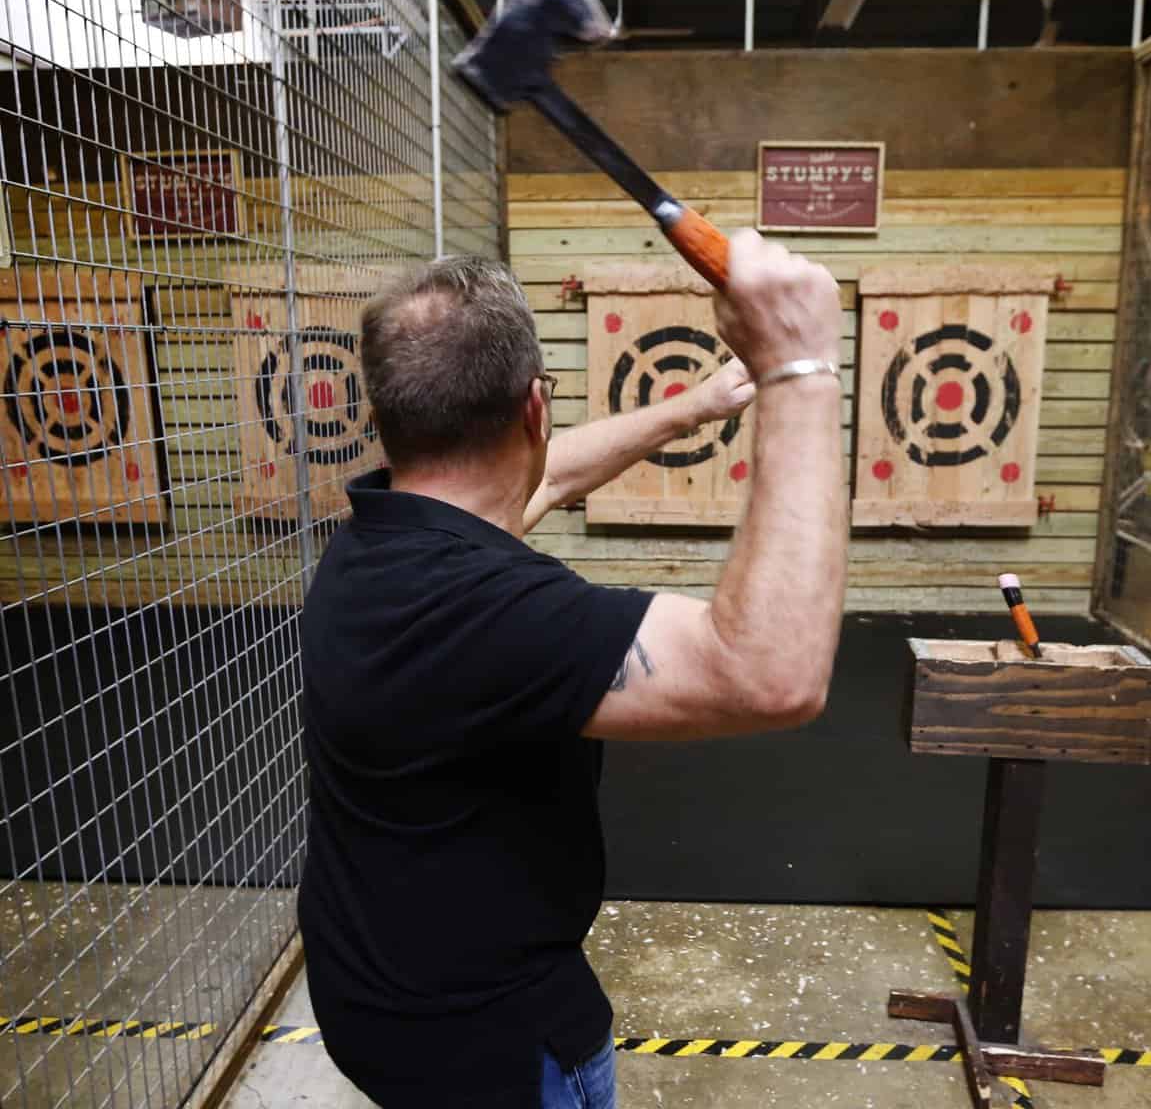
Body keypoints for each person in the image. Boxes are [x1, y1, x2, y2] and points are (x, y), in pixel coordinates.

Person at [296, 231, 847, 1108]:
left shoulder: (379, 537)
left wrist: (693, 406)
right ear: (534, 410)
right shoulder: (485, 613)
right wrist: (801, 371)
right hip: (492, 1047)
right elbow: (767, 672)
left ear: (387, 415)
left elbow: (535, 486)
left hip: (380, 997)